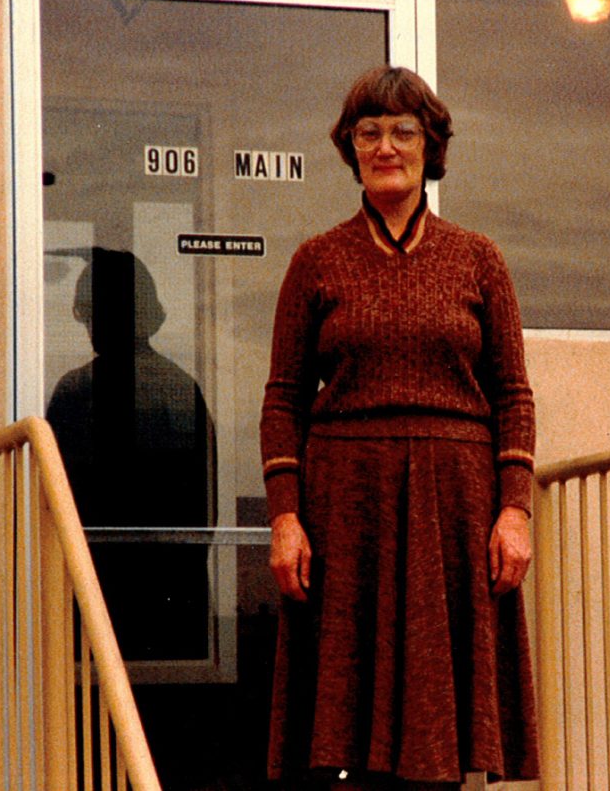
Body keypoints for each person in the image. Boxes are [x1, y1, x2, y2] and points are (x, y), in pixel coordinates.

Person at [260, 66, 539, 790]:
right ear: (350, 147)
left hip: (454, 508)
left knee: (437, 736)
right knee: (340, 738)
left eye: (403, 131)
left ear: (431, 146)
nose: (386, 146)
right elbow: (283, 398)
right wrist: (285, 519)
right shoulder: (315, 261)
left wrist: (515, 509)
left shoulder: (479, 259)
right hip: (347, 508)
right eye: (369, 131)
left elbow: (512, 392)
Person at [47, 247, 216, 661]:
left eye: (89, 310)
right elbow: (203, 513)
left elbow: (52, 506)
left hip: (100, 604)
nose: (87, 322)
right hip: (175, 605)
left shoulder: (76, 392)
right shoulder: (182, 388)